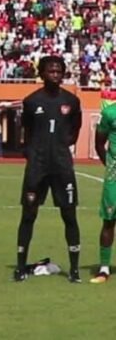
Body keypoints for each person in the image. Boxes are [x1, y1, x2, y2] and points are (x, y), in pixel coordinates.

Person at [15, 56, 82, 283]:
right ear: (42, 74)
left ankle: (74, 270)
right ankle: (20, 267)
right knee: (28, 214)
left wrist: (60, 148)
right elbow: (26, 130)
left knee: (69, 215)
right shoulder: (31, 101)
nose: (55, 75)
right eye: (51, 71)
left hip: (62, 167)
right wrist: (35, 152)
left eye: (59, 71)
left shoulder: (71, 101)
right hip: (38, 166)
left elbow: (74, 131)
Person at [91, 102, 116, 283]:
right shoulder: (109, 113)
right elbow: (99, 143)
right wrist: (109, 166)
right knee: (109, 220)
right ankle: (104, 268)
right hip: (114, 177)